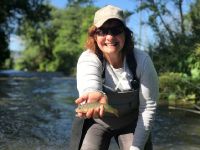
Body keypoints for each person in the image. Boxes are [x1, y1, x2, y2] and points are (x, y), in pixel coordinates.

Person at [69, 5, 159, 150]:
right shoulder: (88, 58)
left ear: (125, 34)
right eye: (102, 31)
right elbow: (89, 80)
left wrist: (136, 148)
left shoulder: (142, 61)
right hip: (97, 121)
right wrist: (94, 92)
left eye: (116, 30)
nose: (110, 37)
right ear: (94, 35)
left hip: (132, 123)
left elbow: (148, 107)